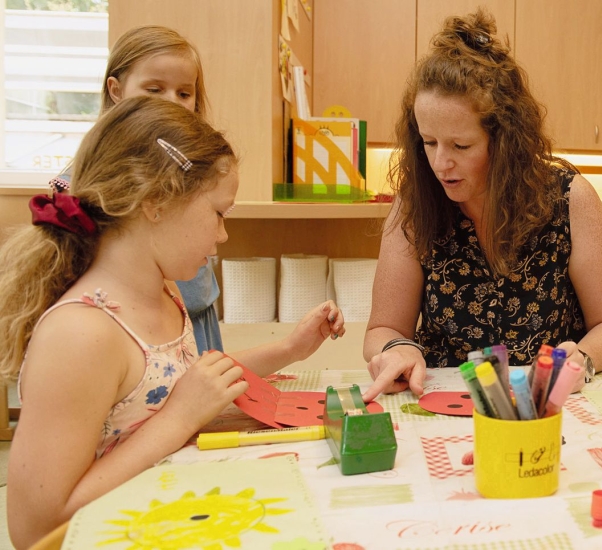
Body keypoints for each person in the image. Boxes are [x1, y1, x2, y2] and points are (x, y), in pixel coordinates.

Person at [1, 97, 347, 548]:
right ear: (156, 201)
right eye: (219, 214)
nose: (223, 235)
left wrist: (288, 350)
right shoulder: (82, 334)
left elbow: (171, 383)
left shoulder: (163, 292)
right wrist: (179, 420)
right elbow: (34, 528)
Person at [362, 10, 602, 400]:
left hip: (548, 403)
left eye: (461, 145)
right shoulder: (415, 202)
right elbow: (382, 330)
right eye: (429, 142)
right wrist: (396, 349)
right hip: (443, 400)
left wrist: (583, 359)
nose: (440, 164)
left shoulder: (569, 198)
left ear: (506, 142)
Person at [47, 25, 225, 354]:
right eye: (154, 89)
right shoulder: (91, 178)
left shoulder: (195, 170)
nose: (172, 101)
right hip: (131, 338)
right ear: (116, 89)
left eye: (184, 93)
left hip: (192, 324)